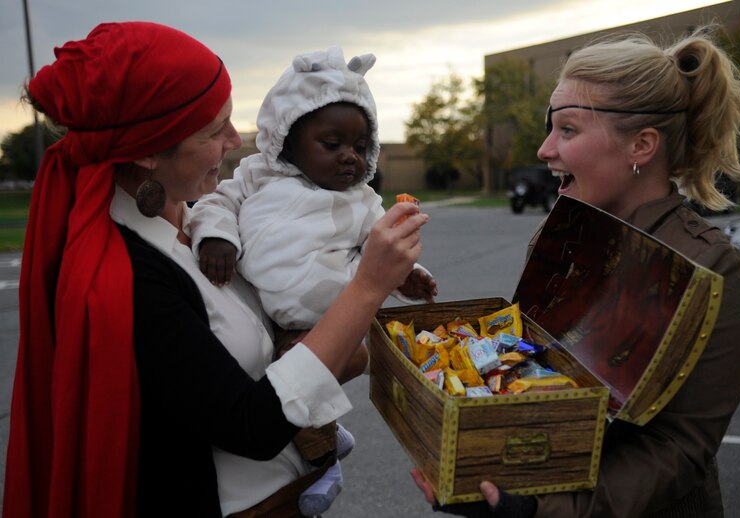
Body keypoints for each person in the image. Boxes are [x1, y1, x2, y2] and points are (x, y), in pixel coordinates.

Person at [3, 22, 428, 518]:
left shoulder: (203, 216)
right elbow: (251, 427)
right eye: (213, 129)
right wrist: (368, 286)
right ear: (145, 152)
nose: (235, 139)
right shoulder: (126, 278)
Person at [412, 26, 740, 517]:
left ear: (641, 146)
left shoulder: (711, 270)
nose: (544, 150)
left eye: (568, 129)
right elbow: (529, 374)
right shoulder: (561, 237)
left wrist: (540, 510)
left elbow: (679, 448)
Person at [189, 46, 437, 515]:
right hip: (269, 311)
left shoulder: (362, 201)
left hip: (331, 317)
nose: (350, 157)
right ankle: (325, 451)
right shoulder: (256, 175)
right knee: (284, 391)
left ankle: (324, 463)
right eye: (332, 144)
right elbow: (215, 205)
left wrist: (411, 274)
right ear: (287, 140)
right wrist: (217, 238)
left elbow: (379, 250)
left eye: (361, 147)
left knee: (303, 389)